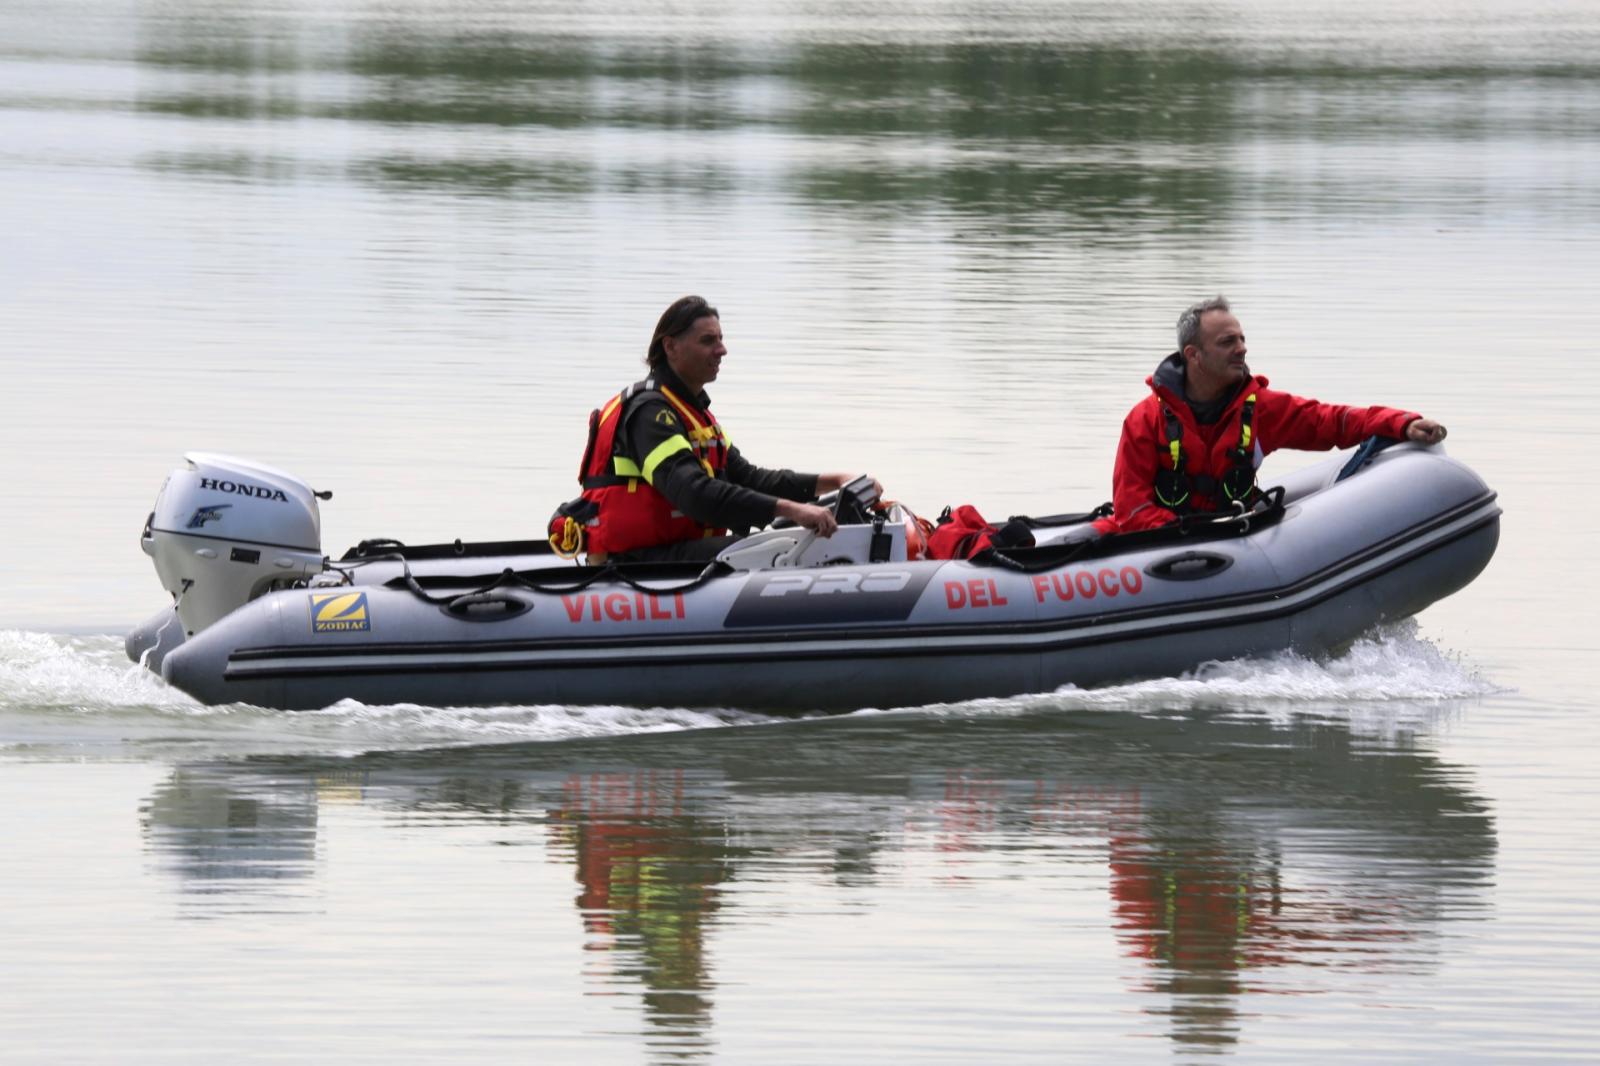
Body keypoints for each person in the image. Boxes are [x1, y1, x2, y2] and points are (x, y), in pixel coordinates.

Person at [551, 295, 878, 563]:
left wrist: (831, 482)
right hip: (640, 559)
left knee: (783, 536)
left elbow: (748, 477)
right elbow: (693, 493)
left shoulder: (692, 413)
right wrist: (790, 509)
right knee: (778, 548)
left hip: (676, 549)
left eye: (721, 340)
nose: (721, 350)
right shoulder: (650, 414)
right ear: (671, 347)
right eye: (708, 341)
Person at [1096, 296, 1448, 533]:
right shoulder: (1146, 420)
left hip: (1235, 538)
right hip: (1160, 551)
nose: (1242, 348)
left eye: (1242, 338)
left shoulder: (1259, 409)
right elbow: (1131, 508)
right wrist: (1185, 536)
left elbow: (1329, 421)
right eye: (1227, 342)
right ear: (1194, 355)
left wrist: (1401, 422)